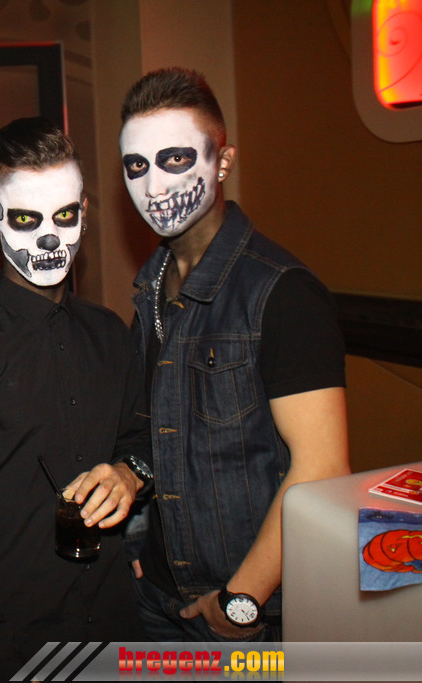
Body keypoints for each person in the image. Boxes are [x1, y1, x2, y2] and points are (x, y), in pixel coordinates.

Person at [0, 117, 149, 682]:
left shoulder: (110, 333)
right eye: (25, 219)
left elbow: (142, 441)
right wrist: (3, 661)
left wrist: (129, 474)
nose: (48, 237)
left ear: (84, 214)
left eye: (64, 216)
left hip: (118, 635)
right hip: (15, 651)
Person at [119, 67, 349, 641]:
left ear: (222, 162)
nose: (154, 186)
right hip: (159, 598)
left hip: (245, 612)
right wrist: (139, 533)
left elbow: (323, 468)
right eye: (136, 166)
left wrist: (244, 596)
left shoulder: (282, 292)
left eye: (175, 159)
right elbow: (158, 434)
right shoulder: (151, 286)